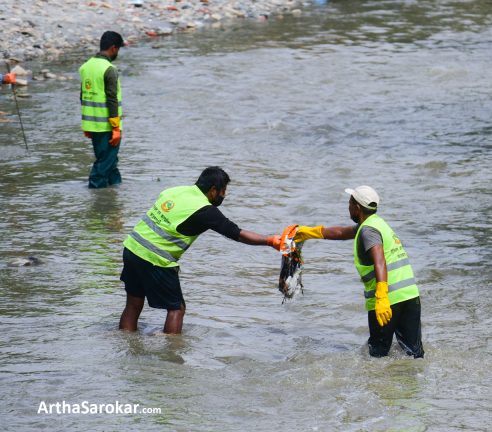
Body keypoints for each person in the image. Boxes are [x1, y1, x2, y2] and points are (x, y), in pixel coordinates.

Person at [119, 166, 282, 334]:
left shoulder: (175, 191)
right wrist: (270, 241)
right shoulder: (205, 210)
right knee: (176, 308)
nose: (224, 195)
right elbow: (237, 234)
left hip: (131, 248)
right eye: (223, 191)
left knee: (133, 302)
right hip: (156, 259)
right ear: (213, 190)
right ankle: (170, 349)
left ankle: (124, 340)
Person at [291, 185, 424, 358]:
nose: (348, 206)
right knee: (414, 355)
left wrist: (381, 296)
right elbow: (341, 232)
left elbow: (380, 261)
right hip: (409, 296)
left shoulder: (368, 231)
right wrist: (309, 232)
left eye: (349, 203)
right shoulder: (376, 223)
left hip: (387, 302)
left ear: (357, 207)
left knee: (377, 357)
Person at [79, 31, 125, 188]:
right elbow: (111, 99)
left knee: (110, 162)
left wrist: (87, 126)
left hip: (92, 124)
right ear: (113, 48)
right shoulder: (109, 69)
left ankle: (116, 190)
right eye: (118, 49)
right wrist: (116, 128)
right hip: (107, 126)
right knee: (104, 163)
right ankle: (96, 191)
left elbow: (83, 96)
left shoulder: (86, 66)